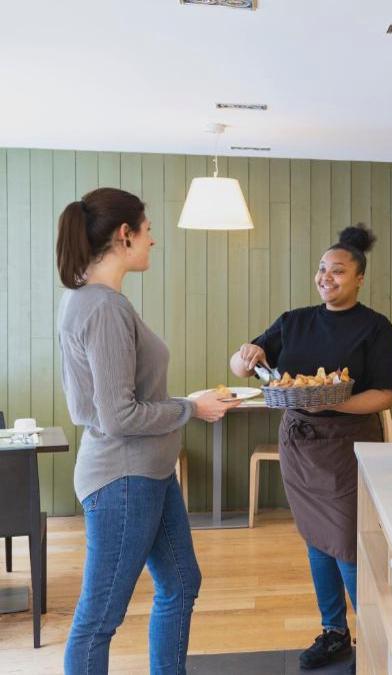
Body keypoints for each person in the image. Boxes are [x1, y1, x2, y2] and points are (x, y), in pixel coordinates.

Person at [56, 188, 240, 675]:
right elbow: (118, 416)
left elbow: (104, 403)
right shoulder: (103, 308)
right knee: (98, 621)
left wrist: (184, 403)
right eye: (148, 229)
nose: (152, 240)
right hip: (124, 479)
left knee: (181, 583)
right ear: (125, 235)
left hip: (149, 473)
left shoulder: (90, 300)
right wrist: (190, 408)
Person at [230, 224, 392, 672]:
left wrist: (333, 401)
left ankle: (382, 639)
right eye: (322, 269)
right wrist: (244, 357)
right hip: (299, 442)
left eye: (338, 270)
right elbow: (244, 365)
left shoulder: (376, 328)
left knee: (346, 543)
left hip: (349, 446)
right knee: (315, 538)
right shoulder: (294, 321)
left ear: (359, 277)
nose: (326, 277)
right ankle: (334, 632)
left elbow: (384, 394)